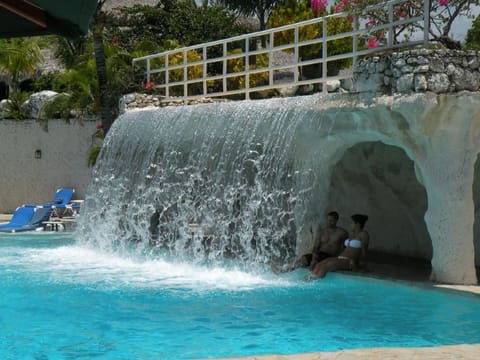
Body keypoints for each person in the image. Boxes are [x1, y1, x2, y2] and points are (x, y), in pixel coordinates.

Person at [272, 211, 348, 273]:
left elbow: (344, 248)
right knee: (303, 259)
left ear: (336, 220)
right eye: (328, 220)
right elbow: (315, 246)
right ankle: (282, 270)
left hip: (331, 256)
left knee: (312, 262)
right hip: (320, 255)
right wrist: (314, 258)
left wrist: (338, 259)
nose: (329, 222)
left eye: (331, 220)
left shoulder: (342, 233)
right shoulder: (322, 232)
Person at [309, 214, 369, 279]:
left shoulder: (364, 234)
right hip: (340, 257)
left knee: (326, 266)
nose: (350, 224)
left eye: (351, 223)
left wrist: (363, 267)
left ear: (357, 224)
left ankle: (314, 283)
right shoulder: (352, 234)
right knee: (319, 264)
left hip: (349, 261)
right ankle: (308, 279)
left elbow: (364, 251)